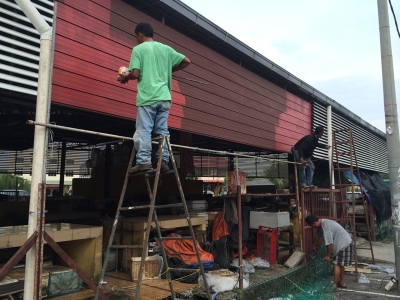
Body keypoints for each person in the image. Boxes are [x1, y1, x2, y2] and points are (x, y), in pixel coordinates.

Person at [118, 22, 190, 173]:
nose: (136, 39)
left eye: (136, 36)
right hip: (164, 97)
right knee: (162, 130)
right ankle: (162, 161)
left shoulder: (138, 49)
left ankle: (144, 162)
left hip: (148, 96)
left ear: (140, 34)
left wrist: (125, 77)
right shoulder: (166, 49)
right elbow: (186, 61)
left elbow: (135, 73)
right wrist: (168, 70)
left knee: (144, 129)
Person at [305, 215, 353, 291]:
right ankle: (342, 282)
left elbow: (329, 244)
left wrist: (328, 255)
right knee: (340, 263)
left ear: (315, 223)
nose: (313, 228)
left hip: (344, 243)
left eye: (312, 226)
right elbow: (317, 236)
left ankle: (335, 285)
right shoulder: (322, 223)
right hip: (343, 242)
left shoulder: (325, 227)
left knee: (336, 264)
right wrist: (313, 246)